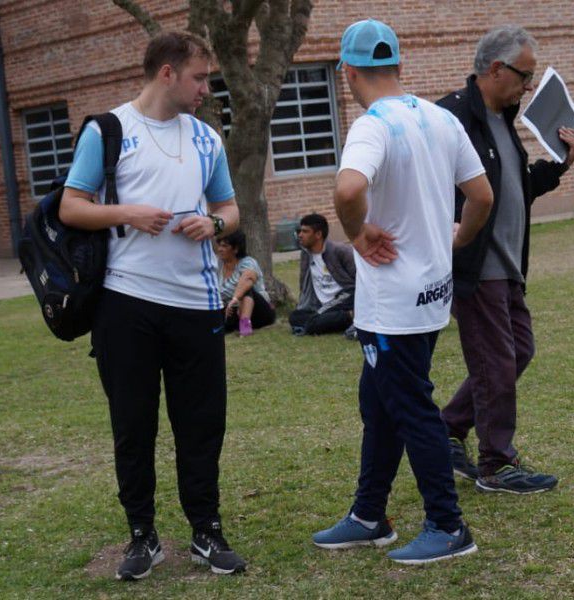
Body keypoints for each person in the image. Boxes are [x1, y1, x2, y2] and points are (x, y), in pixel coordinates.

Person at [59, 31, 246, 580]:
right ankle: (143, 536)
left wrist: (212, 223)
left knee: (202, 424)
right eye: (198, 77)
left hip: (197, 303)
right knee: (133, 425)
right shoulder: (108, 130)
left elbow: (230, 209)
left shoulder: (207, 138)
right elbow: (72, 206)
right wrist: (129, 214)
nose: (205, 89)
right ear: (167, 73)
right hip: (126, 304)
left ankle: (207, 532)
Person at [312, 19, 494, 565]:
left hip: (392, 305)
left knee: (410, 406)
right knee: (380, 403)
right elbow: (481, 195)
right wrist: (457, 236)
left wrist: (355, 232)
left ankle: (448, 524)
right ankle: (370, 515)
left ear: (347, 72)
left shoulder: (372, 126)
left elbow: (348, 188)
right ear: (398, 65)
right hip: (432, 293)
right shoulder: (440, 116)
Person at [436, 25, 574, 494]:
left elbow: (515, 190)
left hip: (508, 266)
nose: (528, 86)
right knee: (496, 363)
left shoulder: (504, 119)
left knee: (518, 351)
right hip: (476, 266)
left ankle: (448, 429)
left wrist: (559, 165)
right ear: (496, 69)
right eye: (524, 76)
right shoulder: (451, 118)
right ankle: (496, 465)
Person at [288, 213, 357, 337]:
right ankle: (341, 317)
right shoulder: (306, 254)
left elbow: (359, 280)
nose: (300, 235)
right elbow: (304, 285)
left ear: (318, 234)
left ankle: (352, 315)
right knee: (294, 317)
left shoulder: (340, 251)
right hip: (322, 305)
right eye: (300, 231)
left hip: (345, 298)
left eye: (305, 231)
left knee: (313, 322)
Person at [215, 231, 276, 336]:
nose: (220, 249)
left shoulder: (248, 262)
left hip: (258, 312)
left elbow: (248, 278)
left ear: (236, 249)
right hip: (230, 310)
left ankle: (245, 325)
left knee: (246, 289)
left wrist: (235, 299)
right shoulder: (217, 265)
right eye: (219, 245)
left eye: (224, 246)